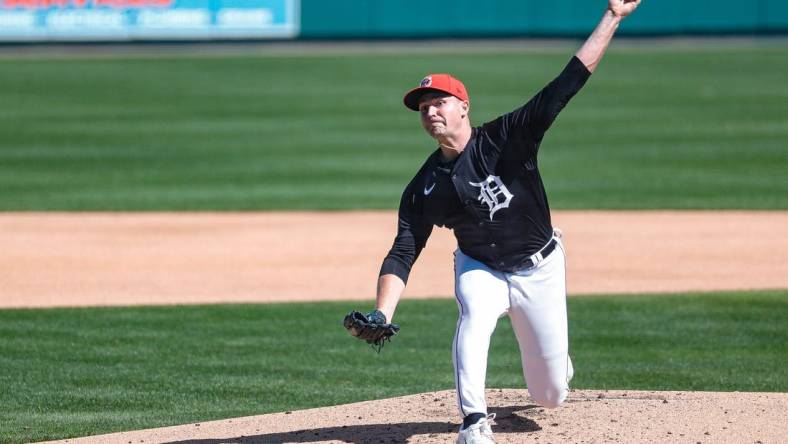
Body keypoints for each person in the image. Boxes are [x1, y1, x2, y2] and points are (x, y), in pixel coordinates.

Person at [369, 1, 641, 443]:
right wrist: (383, 313)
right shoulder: (424, 186)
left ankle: (557, 365)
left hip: (540, 266)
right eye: (423, 108)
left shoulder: (507, 136)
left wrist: (612, 17)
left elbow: (567, 83)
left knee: (550, 394)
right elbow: (403, 250)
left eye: (439, 102)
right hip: (481, 266)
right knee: (474, 315)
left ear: (464, 107)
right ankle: (474, 423)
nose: (431, 112)